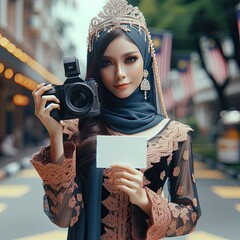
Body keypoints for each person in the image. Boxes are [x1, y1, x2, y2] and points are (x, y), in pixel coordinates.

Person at [31, 0, 201, 239]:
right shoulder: (77, 129)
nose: (119, 73)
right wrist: (56, 135)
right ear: (96, 68)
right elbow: (63, 216)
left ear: (146, 62)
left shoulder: (173, 136)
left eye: (130, 59)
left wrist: (145, 199)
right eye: (107, 63)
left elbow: (190, 215)